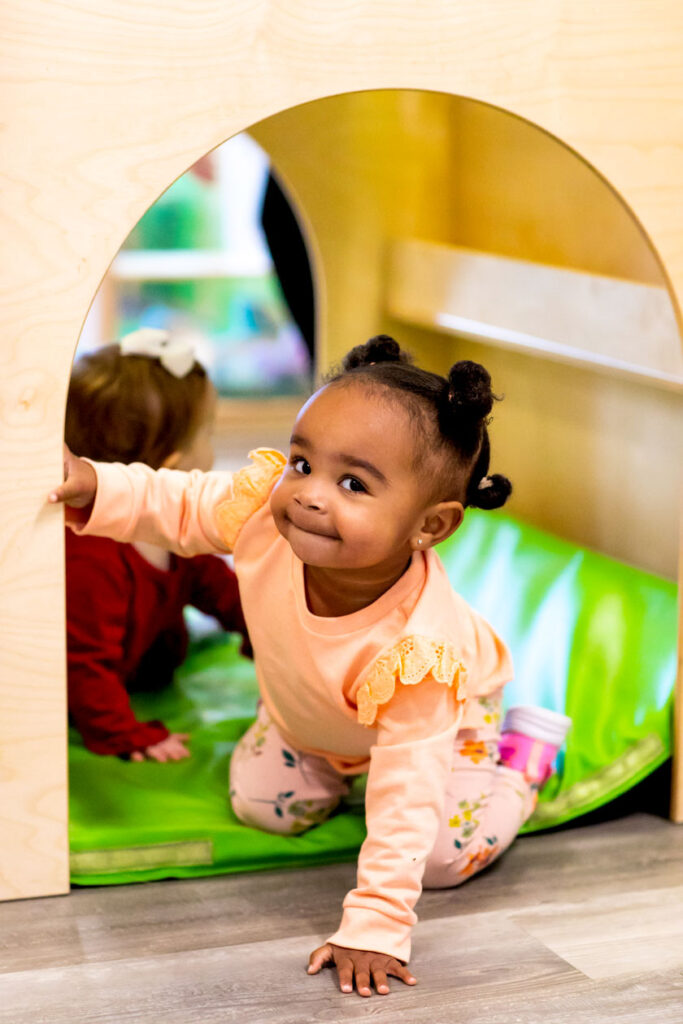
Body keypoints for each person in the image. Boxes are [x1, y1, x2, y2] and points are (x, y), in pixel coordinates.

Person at [50, 334, 570, 993]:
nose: (308, 494)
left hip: (441, 727)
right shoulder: (265, 516)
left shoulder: (422, 654)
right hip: (315, 718)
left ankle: (523, 763)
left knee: (440, 858)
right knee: (263, 807)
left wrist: (375, 925)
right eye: (301, 463)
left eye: (352, 483)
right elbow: (177, 501)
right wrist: (95, 482)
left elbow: (407, 788)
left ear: (430, 526)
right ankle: (321, 749)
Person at [64, 328, 249, 762]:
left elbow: (227, 593)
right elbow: (82, 663)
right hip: (82, 694)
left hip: (146, 667)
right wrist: (123, 735)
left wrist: (282, 635)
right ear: (171, 465)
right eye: (208, 433)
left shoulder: (177, 525)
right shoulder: (91, 556)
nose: (212, 446)